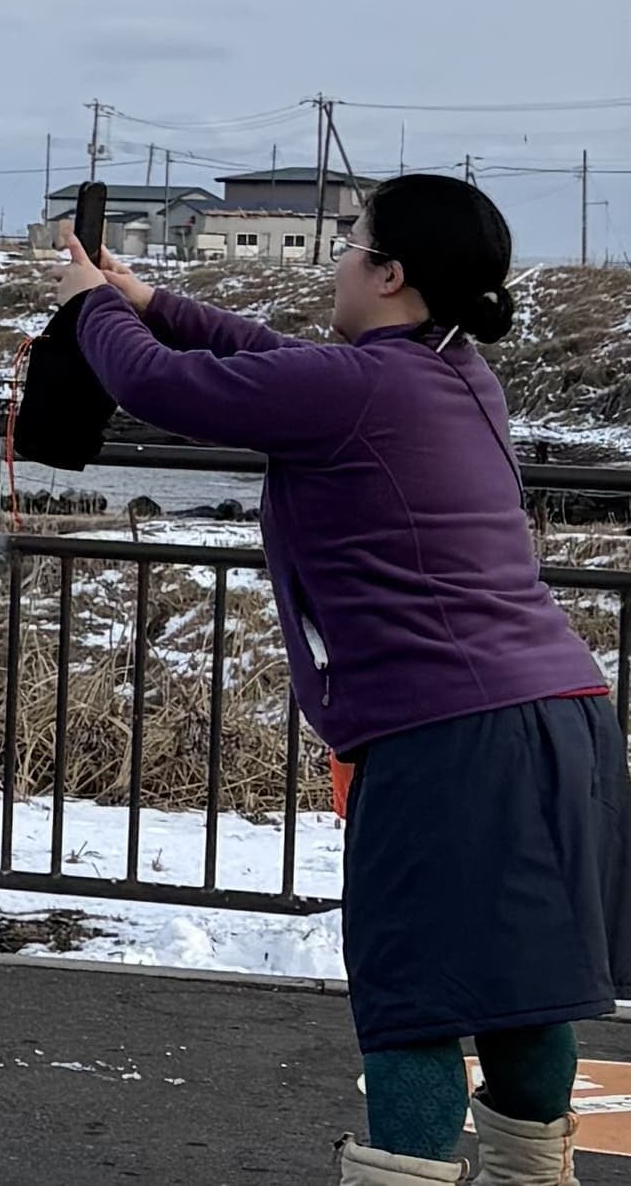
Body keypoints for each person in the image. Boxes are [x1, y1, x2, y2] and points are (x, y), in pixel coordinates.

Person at [57, 173, 622, 1185]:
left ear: (389, 272)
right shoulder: (456, 369)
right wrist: (151, 299)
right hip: (561, 713)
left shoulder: (357, 388)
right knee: (519, 993)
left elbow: (153, 387)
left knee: (414, 1001)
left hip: (447, 732)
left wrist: (91, 302)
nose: (336, 259)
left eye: (350, 242)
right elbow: (281, 361)